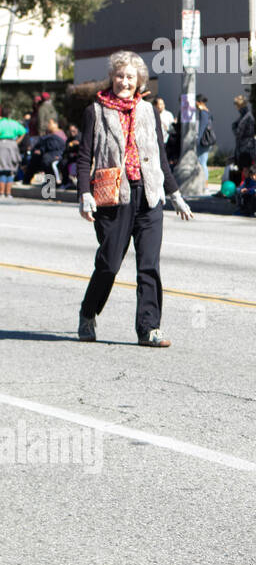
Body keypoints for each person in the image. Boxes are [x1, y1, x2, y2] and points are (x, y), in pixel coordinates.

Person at [77, 51, 194, 347]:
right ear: (112, 78)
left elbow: (160, 157)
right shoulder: (96, 111)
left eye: (130, 77)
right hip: (114, 197)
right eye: (119, 76)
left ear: (139, 80)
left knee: (149, 264)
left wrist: (175, 193)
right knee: (109, 264)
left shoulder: (148, 111)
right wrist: (84, 195)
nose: (124, 82)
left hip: (150, 195)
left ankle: (149, 328)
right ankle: (88, 313)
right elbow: (83, 158)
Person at [0, 104, 26, 199]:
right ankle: (8, 193)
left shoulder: (0, 123)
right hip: (12, 145)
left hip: (2, 144)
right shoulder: (14, 123)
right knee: (11, 170)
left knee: (2, 169)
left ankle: (1, 193)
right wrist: (16, 142)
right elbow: (23, 132)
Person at [232, 95, 256, 166]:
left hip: (246, 148)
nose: (236, 108)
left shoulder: (246, 117)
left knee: (245, 169)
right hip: (245, 146)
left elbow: (239, 133)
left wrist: (234, 127)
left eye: (237, 105)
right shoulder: (244, 116)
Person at [195, 95, 214, 179]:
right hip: (207, 140)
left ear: (198, 102)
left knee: (202, 163)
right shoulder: (208, 112)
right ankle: (204, 182)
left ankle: (204, 183)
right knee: (203, 162)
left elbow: (202, 128)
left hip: (203, 141)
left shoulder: (203, 112)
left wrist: (198, 140)